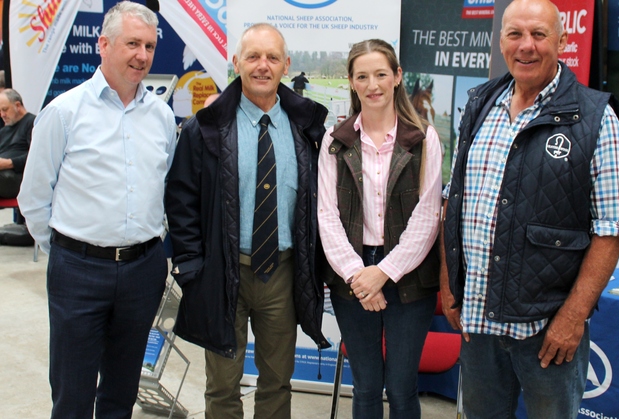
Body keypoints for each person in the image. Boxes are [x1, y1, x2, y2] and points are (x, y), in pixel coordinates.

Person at [440, 0, 619, 417]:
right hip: (479, 322)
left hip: (547, 329)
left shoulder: (595, 117)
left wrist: (573, 317)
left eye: (539, 34)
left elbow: (613, 226)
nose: (526, 46)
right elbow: (454, 202)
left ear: (562, 41)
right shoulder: (480, 104)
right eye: (515, 34)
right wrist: (450, 285)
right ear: (501, 41)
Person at [17, 2, 177, 417]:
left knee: (121, 392)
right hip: (78, 270)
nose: (142, 55)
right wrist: (67, 253)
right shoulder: (64, 112)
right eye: (132, 44)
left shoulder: (161, 117)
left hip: (143, 270)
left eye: (149, 46)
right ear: (103, 45)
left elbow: (163, 190)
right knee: (72, 391)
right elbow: (34, 197)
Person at [165, 23, 329, 419]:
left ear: (286, 65)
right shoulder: (205, 128)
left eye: (272, 57)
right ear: (236, 62)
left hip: (283, 276)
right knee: (222, 386)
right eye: (252, 56)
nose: (262, 66)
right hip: (223, 273)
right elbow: (180, 198)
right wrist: (190, 266)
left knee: (277, 383)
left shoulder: (308, 128)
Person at [318, 39, 442, 418]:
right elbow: (327, 215)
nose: (372, 85)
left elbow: (427, 217)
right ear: (351, 83)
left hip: (409, 271)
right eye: (362, 76)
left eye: (381, 74)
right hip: (351, 272)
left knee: (402, 387)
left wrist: (384, 272)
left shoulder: (423, 138)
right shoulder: (335, 141)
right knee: (367, 387)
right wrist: (360, 275)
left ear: (397, 78)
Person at [0, 89, 34, 199]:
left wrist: (9, 163)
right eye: (0, 111)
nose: (2, 115)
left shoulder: (32, 123)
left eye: (5, 110)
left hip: (19, 177)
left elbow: (36, 157)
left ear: (17, 105)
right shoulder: (4, 130)